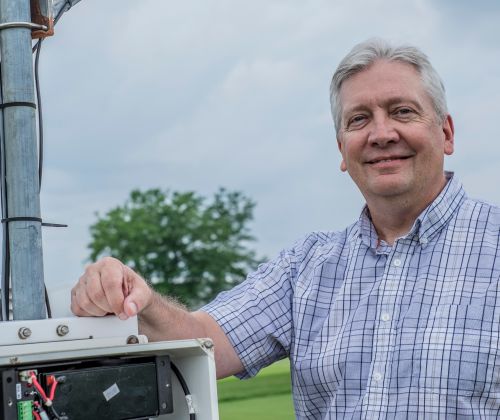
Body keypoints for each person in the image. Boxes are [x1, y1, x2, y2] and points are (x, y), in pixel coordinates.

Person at [71, 38, 500, 418]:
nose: (381, 133)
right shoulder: (306, 267)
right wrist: (136, 297)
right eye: (359, 119)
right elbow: (201, 343)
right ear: (341, 150)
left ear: (446, 132)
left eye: (402, 111)